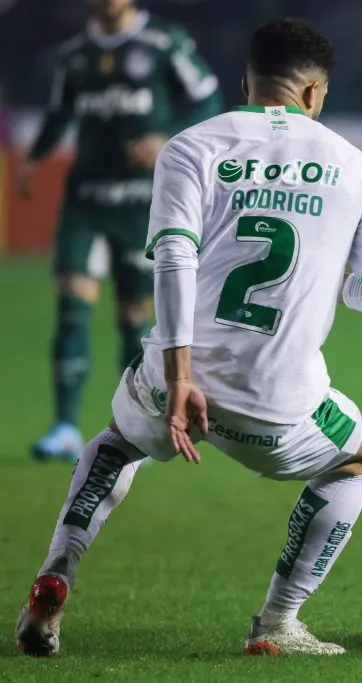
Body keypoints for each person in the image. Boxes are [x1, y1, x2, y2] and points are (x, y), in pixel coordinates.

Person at [15, 17, 362, 657]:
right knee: (357, 453)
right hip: (276, 407)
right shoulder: (356, 167)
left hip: (174, 381)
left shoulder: (191, 145)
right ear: (314, 94)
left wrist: (178, 379)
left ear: (245, 82)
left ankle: (54, 578)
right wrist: (330, 282)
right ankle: (278, 621)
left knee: (118, 443)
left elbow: (173, 257)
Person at [18, 0, 222, 462]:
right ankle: (65, 427)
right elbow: (59, 114)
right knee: (72, 303)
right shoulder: (73, 54)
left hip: (143, 204)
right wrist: (33, 158)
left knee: (135, 318)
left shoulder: (165, 43)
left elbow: (208, 98)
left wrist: (165, 135)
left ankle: (138, 428)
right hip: (85, 200)